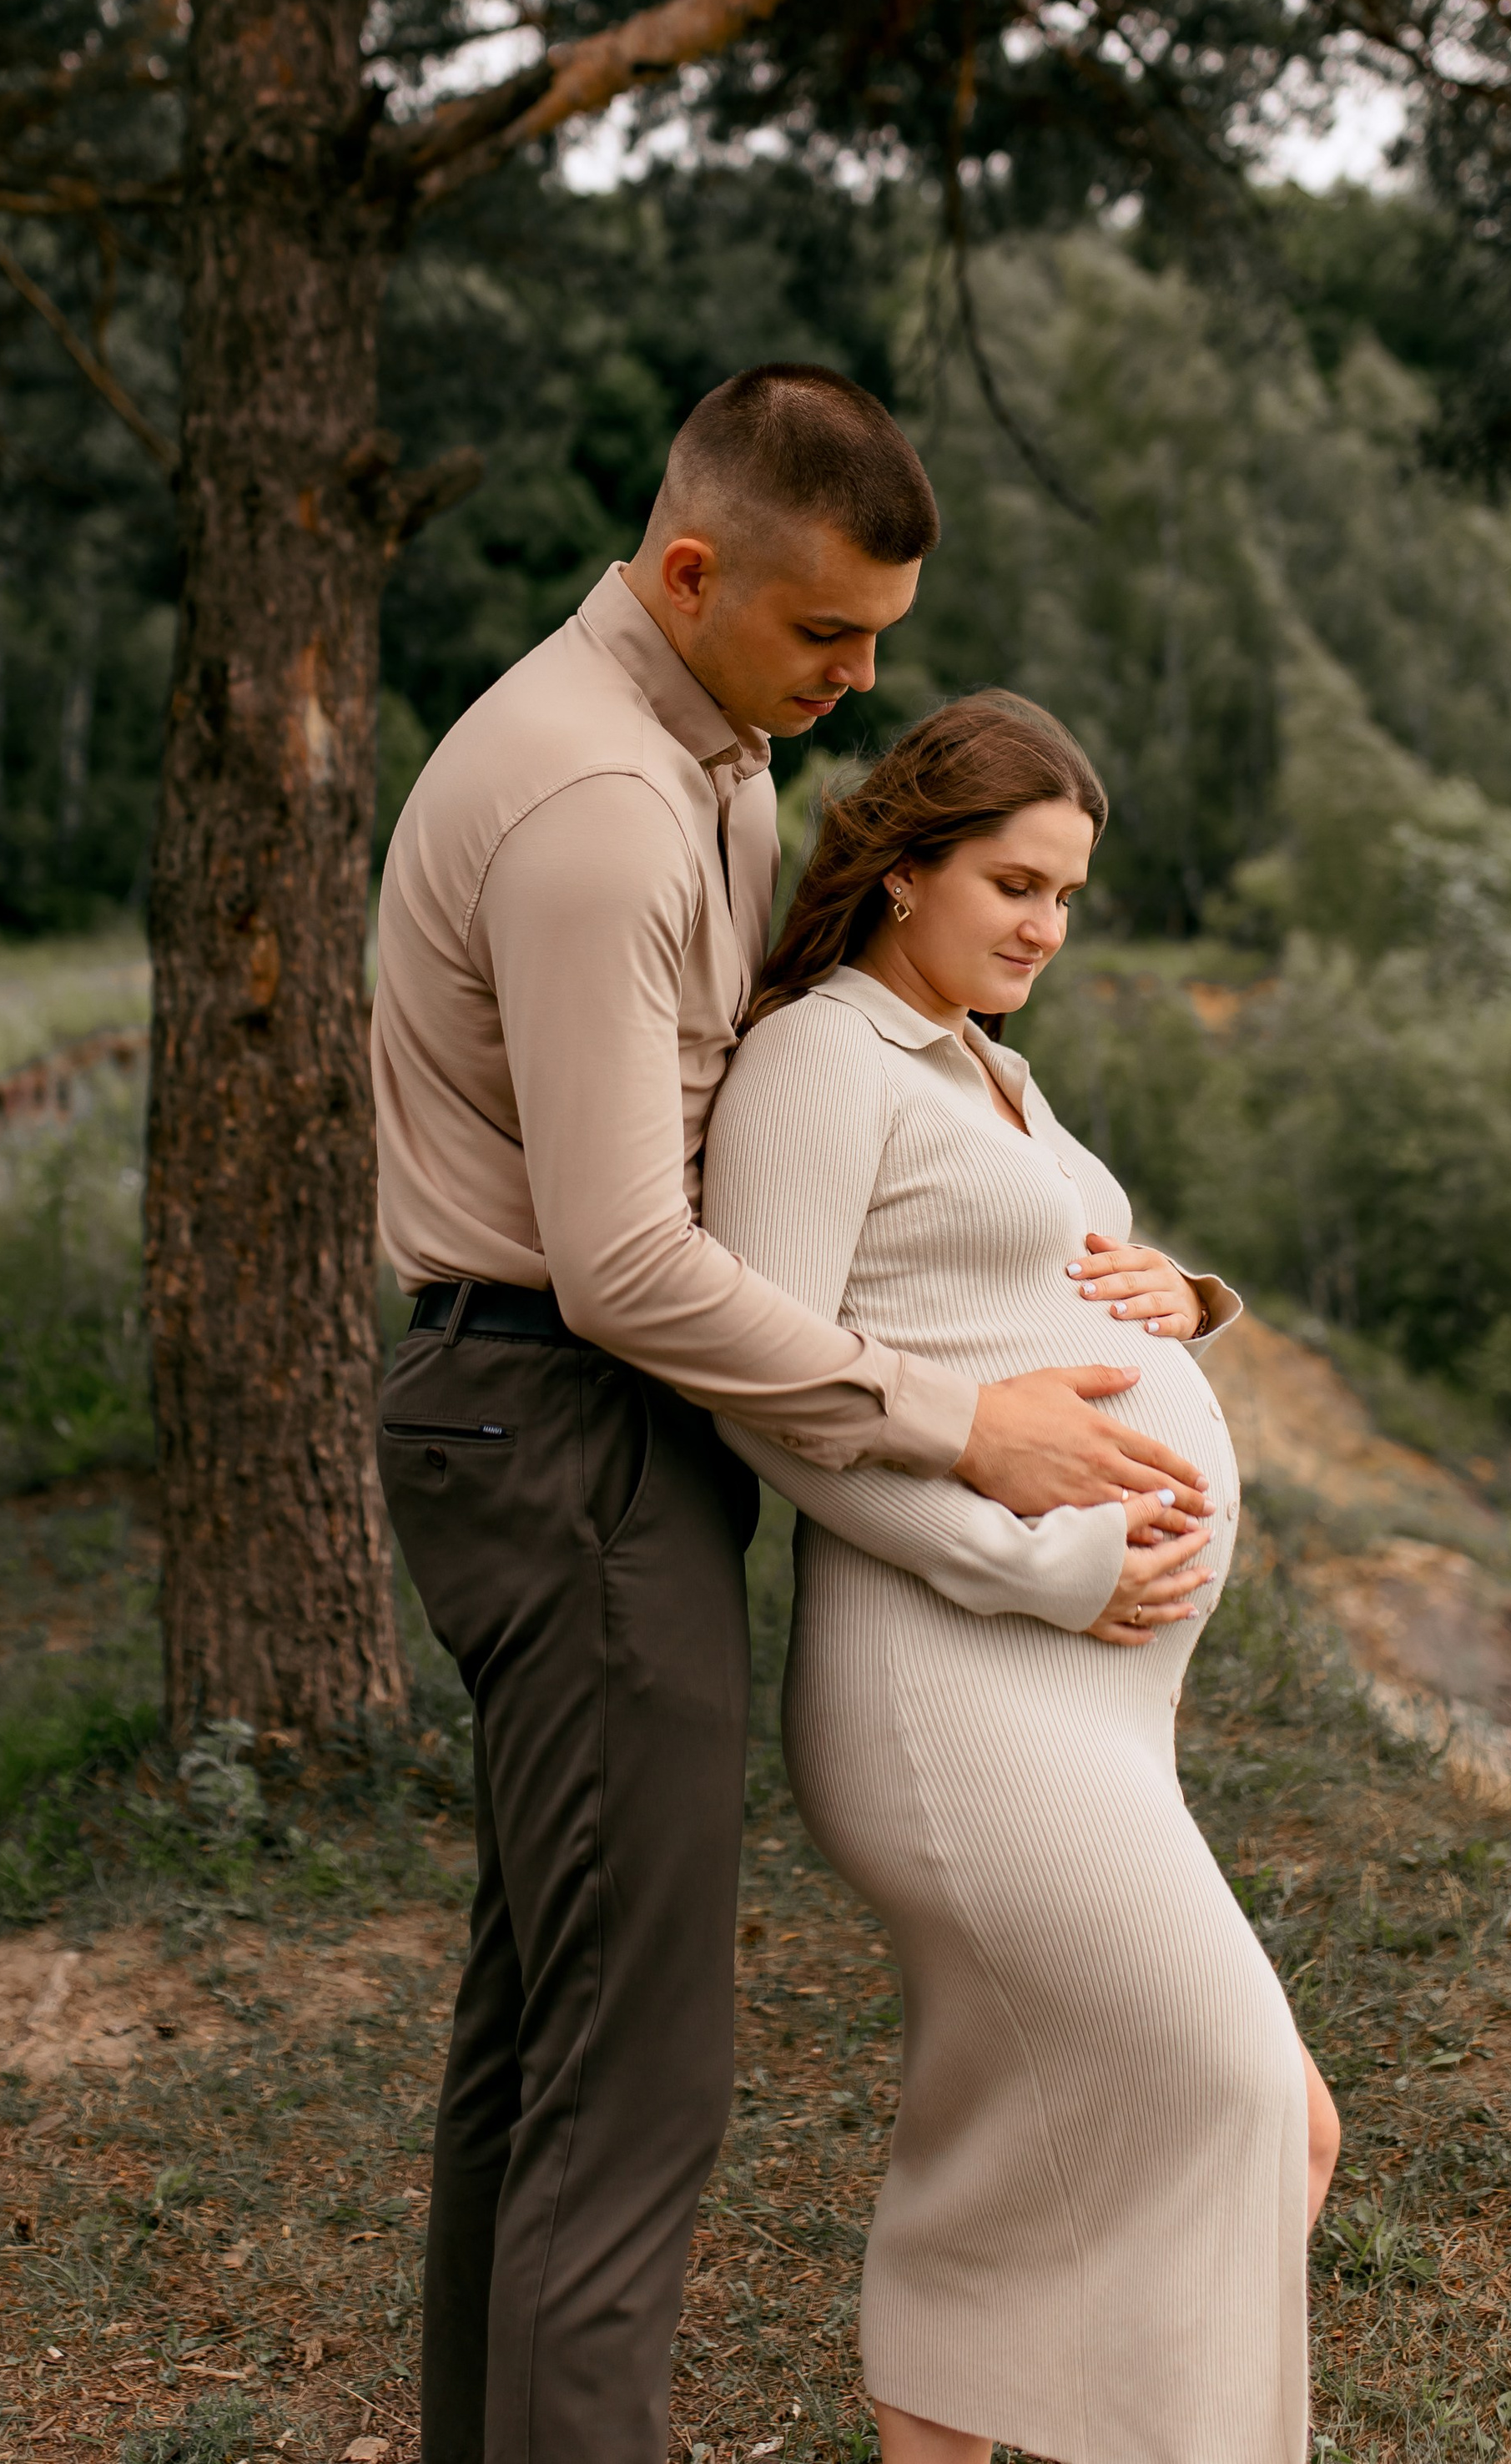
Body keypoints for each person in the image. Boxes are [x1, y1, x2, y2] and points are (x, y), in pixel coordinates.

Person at [370, 365, 1216, 2464]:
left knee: (544, 2026)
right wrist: (961, 1423)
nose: (857, 683)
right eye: (826, 633)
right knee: (634, 2074)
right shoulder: (591, 807)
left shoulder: (713, 756)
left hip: (598, 1426)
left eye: (880, 643)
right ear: (685, 571)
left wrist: (1159, 1301)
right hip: (554, 1420)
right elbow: (626, 1264)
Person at [704, 688, 1342, 2464]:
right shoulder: (818, 1062)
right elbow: (767, 1392)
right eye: (1010, 882)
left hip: (1080, 1703)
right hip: (956, 1688)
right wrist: (1023, 1566)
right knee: (1252, 2115)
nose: (1042, 927)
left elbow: (1033, 1269)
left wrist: (1177, 1296)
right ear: (902, 869)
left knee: (1033, 2153)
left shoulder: (986, 1059)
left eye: (1065, 894)